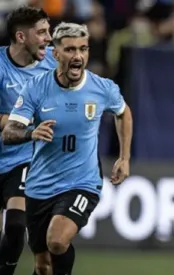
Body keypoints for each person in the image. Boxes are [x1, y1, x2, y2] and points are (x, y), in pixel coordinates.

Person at [2, 22, 133, 275]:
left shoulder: (102, 88)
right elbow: (9, 133)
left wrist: (124, 157)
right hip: (39, 186)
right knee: (42, 266)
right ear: (56, 54)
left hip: (82, 183)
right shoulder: (36, 88)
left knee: (58, 240)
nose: (78, 56)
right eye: (70, 49)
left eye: (83, 49)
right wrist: (31, 132)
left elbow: (123, 112)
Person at [0, 6, 55, 275]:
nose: (49, 38)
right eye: (42, 32)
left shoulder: (54, 64)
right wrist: (22, 122)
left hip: (23, 158)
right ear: (21, 37)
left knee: (15, 226)